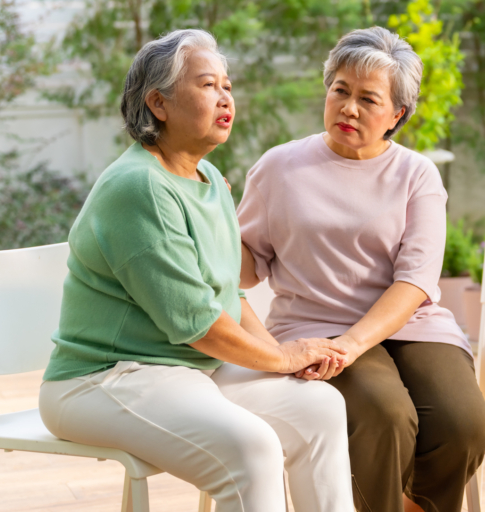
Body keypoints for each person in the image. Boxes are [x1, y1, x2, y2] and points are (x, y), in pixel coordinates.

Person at [39, 30, 353, 512]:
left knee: (319, 407)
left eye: (227, 85)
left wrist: (286, 362)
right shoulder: (139, 188)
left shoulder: (209, 181)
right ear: (158, 104)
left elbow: (229, 297)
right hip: (105, 378)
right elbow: (197, 324)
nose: (225, 97)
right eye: (208, 85)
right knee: (251, 448)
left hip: (187, 369)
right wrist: (284, 358)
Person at [237, 26, 485, 512]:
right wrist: (214, 227)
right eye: (340, 91)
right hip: (317, 327)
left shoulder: (417, 175)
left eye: (368, 99)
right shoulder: (279, 167)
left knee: (464, 424)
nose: (349, 108)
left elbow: (416, 281)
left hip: (411, 326)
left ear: (397, 114)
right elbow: (247, 268)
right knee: (384, 414)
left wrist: (354, 344)